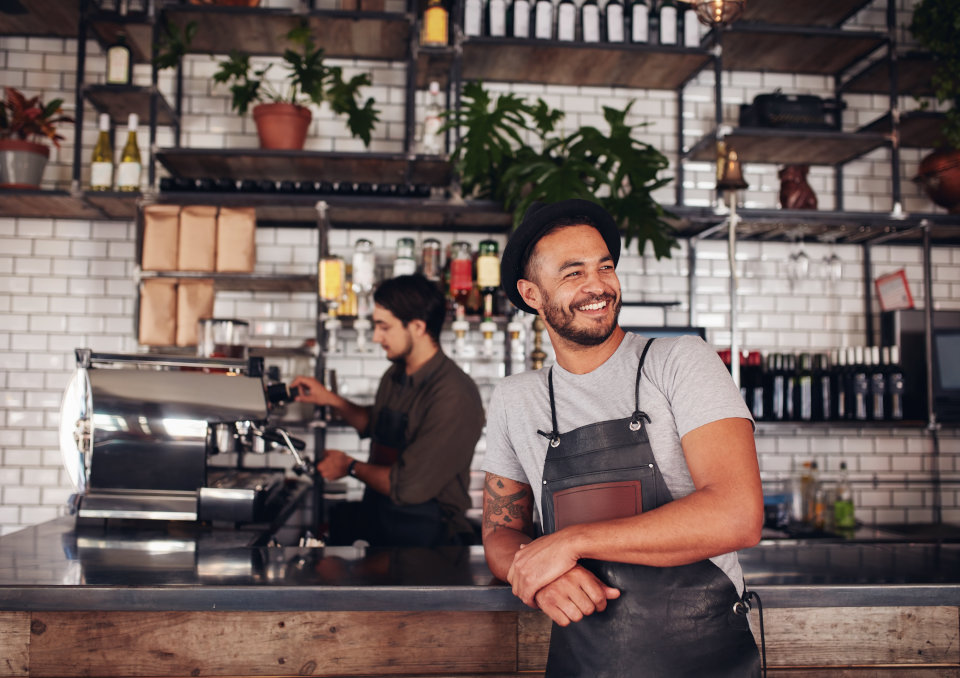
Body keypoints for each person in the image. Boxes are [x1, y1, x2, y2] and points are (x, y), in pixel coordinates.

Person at [482, 199, 764, 677]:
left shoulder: (678, 362)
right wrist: (534, 576)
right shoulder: (516, 399)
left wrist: (568, 543)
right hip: (583, 662)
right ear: (532, 293)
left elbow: (738, 514)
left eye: (605, 266)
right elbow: (500, 531)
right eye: (573, 272)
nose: (598, 286)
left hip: (704, 660)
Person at [292, 273, 484, 548]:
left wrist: (349, 467)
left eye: (384, 327)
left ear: (417, 326)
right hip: (383, 520)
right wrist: (330, 399)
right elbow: (376, 423)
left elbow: (409, 486)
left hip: (427, 537)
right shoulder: (395, 374)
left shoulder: (454, 395)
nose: (375, 336)